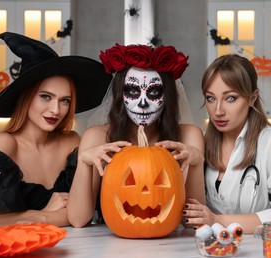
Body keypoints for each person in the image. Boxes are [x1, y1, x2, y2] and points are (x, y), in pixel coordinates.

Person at [0, 32, 112, 227]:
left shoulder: (73, 142)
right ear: (26, 98)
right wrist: (38, 215)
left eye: (65, 101)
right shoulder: (5, 143)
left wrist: (40, 218)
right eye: (46, 97)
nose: (56, 110)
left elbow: (81, 216)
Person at [67, 44, 206, 228]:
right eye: (132, 91)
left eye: (153, 92)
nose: (142, 103)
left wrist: (195, 164)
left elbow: (192, 223)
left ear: (167, 96)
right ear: (119, 95)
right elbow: (78, 220)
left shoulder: (189, 135)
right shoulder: (97, 136)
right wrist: (84, 162)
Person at [183, 54, 271, 233]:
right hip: (211, 252)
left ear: (252, 98)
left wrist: (218, 220)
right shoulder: (201, 143)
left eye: (230, 98)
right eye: (210, 98)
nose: (218, 111)